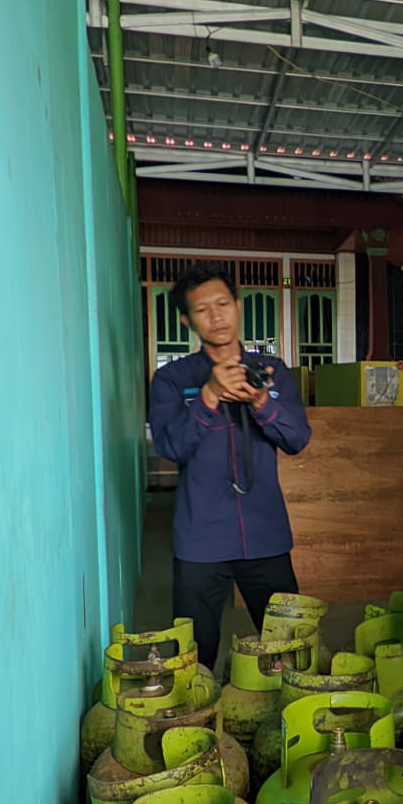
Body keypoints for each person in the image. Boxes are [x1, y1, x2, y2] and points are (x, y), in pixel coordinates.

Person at [149, 264, 311, 669]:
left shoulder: (271, 373)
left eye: (223, 304)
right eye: (202, 310)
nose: (216, 316)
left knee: (287, 646)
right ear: (186, 320)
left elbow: (297, 440)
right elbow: (171, 446)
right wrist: (208, 396)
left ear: (238, 306)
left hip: (265, 535)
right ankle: (197, 726)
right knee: (195, 652)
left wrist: (260, 403)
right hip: (200, 540)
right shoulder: (173, 379)